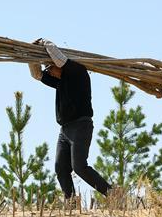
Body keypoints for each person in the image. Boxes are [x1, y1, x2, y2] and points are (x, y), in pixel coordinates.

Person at [29, 38, 113, 201]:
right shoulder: (60, 81)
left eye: (50, 67)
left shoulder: (77, 72)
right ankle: (71, 202)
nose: (49, 71)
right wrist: (30, 54)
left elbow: (60, 60)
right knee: (60, 168)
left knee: (79, 166)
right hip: (65, 130)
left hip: (81, 126)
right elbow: (37, 75)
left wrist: (45, 43)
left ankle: (114, 194)